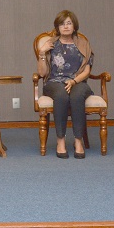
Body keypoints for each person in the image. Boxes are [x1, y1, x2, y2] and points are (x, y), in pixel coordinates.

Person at [36, 10, 94, 159]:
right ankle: (60, 141)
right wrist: (42, 53)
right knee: (61, 95)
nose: (66, 26)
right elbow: (42, 73)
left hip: (78, 81)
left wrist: (74, 81)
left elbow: (87, 71)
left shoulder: (83, 44)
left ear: (74, 26)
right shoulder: (51, 44)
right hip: (54, 82)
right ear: (58, 27)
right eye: (62, 24)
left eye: (69, 23)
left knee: (77, 96)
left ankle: (78, 141)